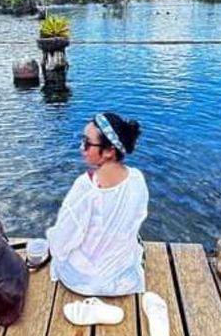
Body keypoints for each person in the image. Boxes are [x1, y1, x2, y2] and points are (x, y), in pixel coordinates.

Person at [46, 112, 148, 296]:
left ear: (109, 151)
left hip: (83, 281)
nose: (81, 147)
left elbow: (62, 240)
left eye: (87, 143)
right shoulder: (137, 179)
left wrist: (53, 245)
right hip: (121, 276)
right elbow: (136, 219)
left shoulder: (86, 187)